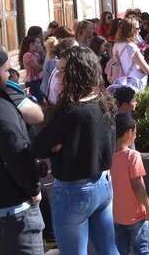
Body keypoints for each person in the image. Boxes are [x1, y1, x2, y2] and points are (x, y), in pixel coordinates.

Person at [32, 47, 119, 255]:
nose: (58, 75)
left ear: (77, 72)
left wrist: (56, 147)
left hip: (74, 191)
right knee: (109, 249)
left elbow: (39, 146)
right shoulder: (104, 101)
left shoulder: (70, 111)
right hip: (103, 184)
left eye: (63, 70)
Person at [0, 48, 44, 255]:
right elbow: (16, 153)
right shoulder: (4, 111)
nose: (9, 75)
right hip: (13, 216)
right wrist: (34, 190)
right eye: (6, 70)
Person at [111, 113, 149, 255]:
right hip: (136, 216)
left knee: (120, 251)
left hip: (116, 216)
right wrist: (148, 206)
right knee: (142, 250)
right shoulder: (133, 156)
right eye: (135, 132)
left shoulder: (108, 157)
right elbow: (137, 184)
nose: (136, 135)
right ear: (129, 132)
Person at [110, 19, 149, 93]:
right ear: (131, 30)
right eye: (137, 28)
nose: (139, 30)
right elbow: (147, 70)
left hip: (121, 82)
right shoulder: (131, 47)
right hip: (135, 83)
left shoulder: (116, 45)